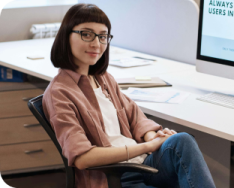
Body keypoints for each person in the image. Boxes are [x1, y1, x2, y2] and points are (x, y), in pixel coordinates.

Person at [42, 3, 215, 188]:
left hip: (143, 165)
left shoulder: (104, 79)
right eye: (86, 34)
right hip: (115, 178)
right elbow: (83, 159)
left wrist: (152, 136)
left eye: (103, 36)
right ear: (66, 35)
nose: (96, 43)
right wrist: (146, 147)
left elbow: (135, 117)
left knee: (182, 140)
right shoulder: (59, 93)